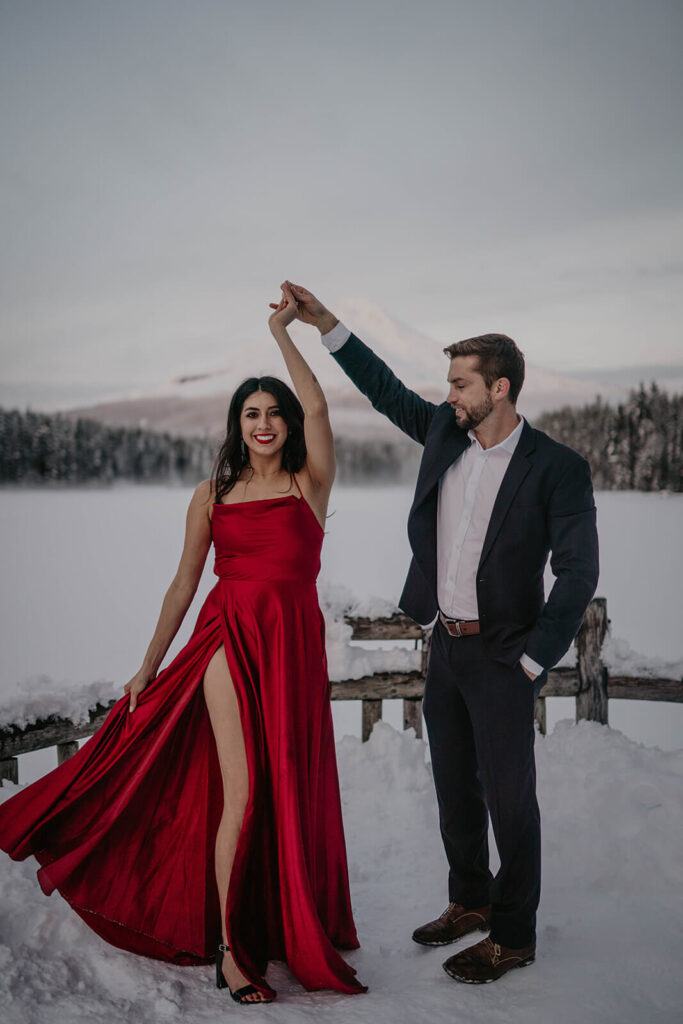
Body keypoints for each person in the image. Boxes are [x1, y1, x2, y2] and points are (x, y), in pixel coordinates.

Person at [0, 286, 366, 1003]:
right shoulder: (211, 493)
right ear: (237, 425)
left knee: (287, 783)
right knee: (245, 787)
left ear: (288, 425)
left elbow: (320, 405)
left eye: (272, 414)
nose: (263, 423)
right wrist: (147, 664)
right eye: (249, 415)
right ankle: (233, 951)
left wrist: (282, 332)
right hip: (226, 639)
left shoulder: (308, 485)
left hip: (291, 647)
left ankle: (279, 919)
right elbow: (181, 585)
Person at [282, 280, 599, 985]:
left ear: (500, 387)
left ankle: (513, 935)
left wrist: (531, 660)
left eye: (459, 384)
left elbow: (577, 574)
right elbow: (382, 389)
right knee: (454, 786)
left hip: (504, 653)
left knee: (511, 800)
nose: (448, 395)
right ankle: (469, 899)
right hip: (446, 646)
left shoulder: (556, 469)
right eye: (448, 383)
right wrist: (326, 324)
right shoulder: (443, 436)